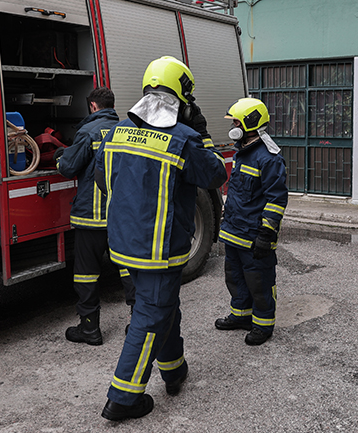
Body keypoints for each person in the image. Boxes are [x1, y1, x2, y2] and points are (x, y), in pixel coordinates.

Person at [94, 56, 227, 421]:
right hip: (159, 250)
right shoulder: (184, 140)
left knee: (164, 307)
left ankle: (174, 369)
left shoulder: (116, 133)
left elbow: (104, 181)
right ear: (184, 99)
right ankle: (123, 397)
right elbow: (215, 175)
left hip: (123, 246)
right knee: (151, 314)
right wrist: (202, 134)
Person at [56, 87, 135, 346]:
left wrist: (59, 157)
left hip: (91, 216)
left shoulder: (88, 132)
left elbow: (68, 167)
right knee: (128, 269)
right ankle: (138, 322)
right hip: (119, 216)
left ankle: (90, 329)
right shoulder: (126, 131)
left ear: (92, 106)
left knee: (87, 274)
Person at [214, 97, 288, 346]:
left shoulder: (268, 158)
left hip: (254, 236)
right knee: (234, 277)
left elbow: (276, 200)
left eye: (236, 121)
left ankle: (263, 324)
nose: (233, 126)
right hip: (235, 231)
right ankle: (241, 315)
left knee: (259, 281)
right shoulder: (243, 152)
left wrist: (266, 234)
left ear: (250, 123)